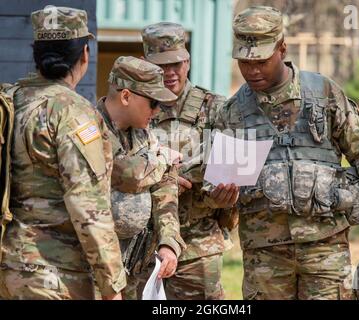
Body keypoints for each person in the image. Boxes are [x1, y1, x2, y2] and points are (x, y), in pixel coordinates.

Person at [212, 5, 359, 300]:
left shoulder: (323, 94)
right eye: (244, 62)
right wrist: (223, 197)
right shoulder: (234, 113)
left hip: (325, 247)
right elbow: (226, 195)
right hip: (264, 255)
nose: (252, 70)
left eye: (261, 60)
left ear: (282, 49)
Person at [0, 7, 126, 300]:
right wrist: (112, 285)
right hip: (53, 276)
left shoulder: (11, 100)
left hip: (7, 270)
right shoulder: (73, 112)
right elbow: (88, 206)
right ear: (85, 54)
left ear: (36, 54)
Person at [141, 22, 239, 300]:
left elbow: (232, 169)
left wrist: (224, 195)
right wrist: (160, 177)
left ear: (187, 61)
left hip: (196, 245)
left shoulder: (215, 108)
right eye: (161, 65)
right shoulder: (134, 106)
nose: (170, 72)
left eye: (176, 63)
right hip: (141, 245)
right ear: (146, 64)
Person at [95, 56, 186, 299]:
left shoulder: (143, 134)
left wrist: (169, 243)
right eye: (153, 103)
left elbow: (165, 188)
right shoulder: (91, 128)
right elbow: (126, 173)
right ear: (126, 97)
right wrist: (162, 159)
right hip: (96, 273)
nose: (157, 112)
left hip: (135, 268)